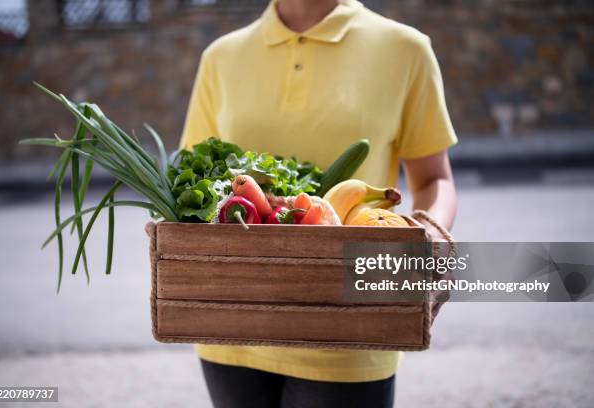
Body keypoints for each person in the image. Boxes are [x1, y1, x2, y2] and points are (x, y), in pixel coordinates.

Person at [180, 0, 457, 406]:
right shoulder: (221, 57)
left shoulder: (405, 49)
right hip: (234, 322)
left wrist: (433, 232)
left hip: (351, 323)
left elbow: (435, 179)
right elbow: (194, 174)